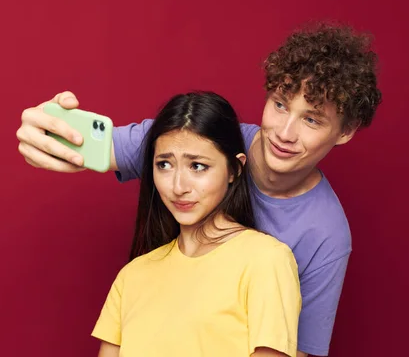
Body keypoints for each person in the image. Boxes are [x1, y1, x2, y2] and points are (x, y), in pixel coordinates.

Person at [16, 22, 382, 357]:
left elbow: (294, 350)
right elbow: (85, 145)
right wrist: (45, 130)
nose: (285, 133)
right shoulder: (201, 141)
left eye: (312, 119)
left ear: (345, 131)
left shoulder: (322, 237)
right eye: (280, 104)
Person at [93, 91, 301, 357]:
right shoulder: (132, 276)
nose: (178, 187)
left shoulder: (266, 260)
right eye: (164, 164)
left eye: (198, 166)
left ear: (234, 170)